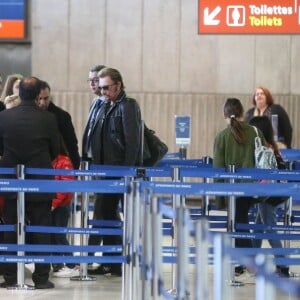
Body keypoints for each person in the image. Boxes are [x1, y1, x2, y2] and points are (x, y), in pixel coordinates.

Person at [0, 76, 60, 289]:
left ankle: (10, 277)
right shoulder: (48, 119)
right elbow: (55, 149)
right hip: (41, 180)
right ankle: (41, 278)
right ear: (37, 95)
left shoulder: (4, 117)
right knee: (42, 229)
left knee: (10, 228)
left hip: (11, 180)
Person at [83, 67, 142, 276]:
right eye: (101, 88)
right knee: (105, 216)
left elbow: (133, 142)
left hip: (118, 172)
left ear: (118, 85)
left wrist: (127, 171)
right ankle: (112, 262)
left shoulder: (127, 106)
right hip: (103, 171)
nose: (103, 91)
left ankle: (115, 261)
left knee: (105, 215)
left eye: (107, 87)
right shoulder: (105, 105)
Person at [213, 98, 264, 276]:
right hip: (254, 187)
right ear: (243, 113)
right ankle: (240, 264)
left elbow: (218, 170)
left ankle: (250, 264)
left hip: (232, 189)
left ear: (224, 115)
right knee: (241, 222)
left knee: (239, 223)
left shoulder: (221, 137)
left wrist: (219, 199)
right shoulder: (255, 132)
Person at [249, 116, 290, 277]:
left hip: (268, 194)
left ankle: (282, 265)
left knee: (268, 227)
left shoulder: (265, 148)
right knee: (259, 227)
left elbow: (263, 176)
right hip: (273, 192)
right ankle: (250, 261)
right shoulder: (271, 146)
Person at [82, 64, 106, 258]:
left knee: (103, 211)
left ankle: (91, 257)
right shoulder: (95, 102)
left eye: (95, 80)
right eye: (89, 80)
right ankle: (101, 257)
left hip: (107, 166)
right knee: (103, 211)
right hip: (93, 163)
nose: (92, 84)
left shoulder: (112, 104)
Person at [51, 137, 79, 278]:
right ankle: (58, 265)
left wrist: (54, 203)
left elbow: (64, 187)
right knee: (52, 235)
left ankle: (72, 264)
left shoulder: (64, 161)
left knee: (59, 235)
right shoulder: (48, 160)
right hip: (52, 204)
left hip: (61, 206)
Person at [36, 80, 80, 169]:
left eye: (46, 98)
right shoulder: (30, 115)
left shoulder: (62, 116)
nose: (43, 103)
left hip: (58, 167)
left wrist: (73, 169)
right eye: (39, 99)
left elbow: (71, 145)